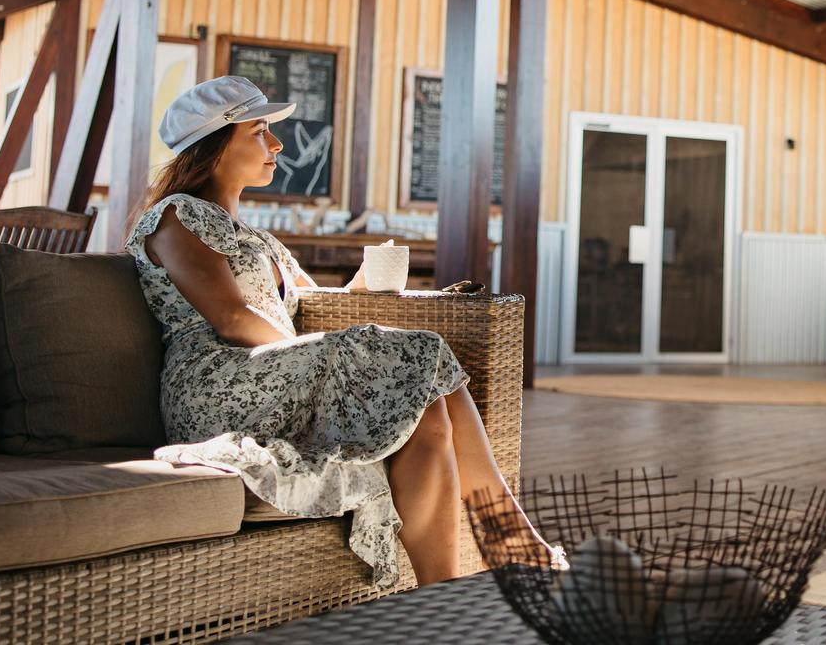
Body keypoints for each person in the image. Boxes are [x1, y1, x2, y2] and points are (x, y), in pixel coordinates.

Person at [125, 75, 549, 587]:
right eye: (259, 131)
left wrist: (369, 283)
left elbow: (317, 305)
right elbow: (231, 318)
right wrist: (334, 359)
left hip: (277, 374)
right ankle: (509, 534)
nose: (277, 144)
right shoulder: (175, 216)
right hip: (218, 385)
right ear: (214, 146)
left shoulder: (259, 239)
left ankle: (444, 595)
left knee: (427, 414)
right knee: (424, 354)